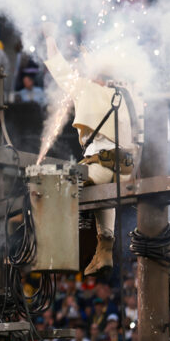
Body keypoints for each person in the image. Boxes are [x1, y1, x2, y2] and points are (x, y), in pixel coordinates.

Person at [40, 25, 138, 276]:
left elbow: (60, 70)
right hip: (127, 169)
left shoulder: (86, 88)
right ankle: (105, 247)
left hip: (100, 165)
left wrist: (50, 39)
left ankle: (54, 250)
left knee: (55, 183)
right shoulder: (128, 93)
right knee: (102, 193)